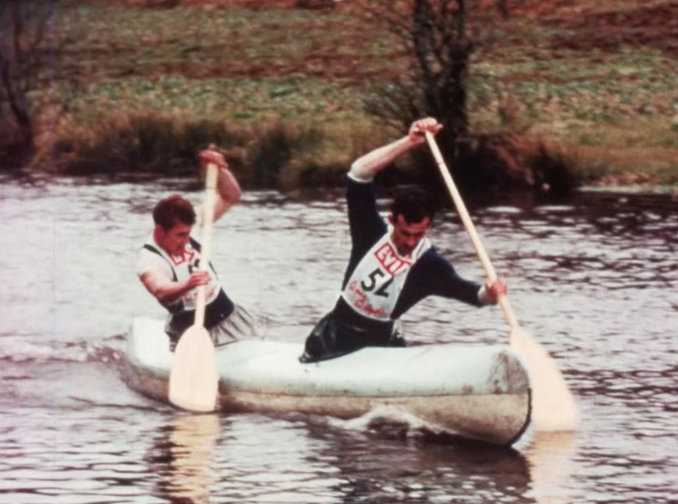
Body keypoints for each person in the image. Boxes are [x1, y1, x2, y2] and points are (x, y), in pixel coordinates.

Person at [300, 117, 507, 363]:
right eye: (405, 233)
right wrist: (410, 141)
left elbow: (473, 295)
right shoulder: (369, 231)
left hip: (382, 346)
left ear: (429, 226)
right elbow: (358, 173)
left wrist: (491, 293)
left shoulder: (430, 266)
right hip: (336, 338)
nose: (410, 242)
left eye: (418, 234)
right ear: (392, 220)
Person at [136, 149, 263, 350]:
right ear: (160, 231)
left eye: (188, 233)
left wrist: (220, 169)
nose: (187, 240)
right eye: (180, 235)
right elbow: (161, 290)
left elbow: (231, 195)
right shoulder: (149, 259)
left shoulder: (192, 222)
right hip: (190, 335)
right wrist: (189, 284)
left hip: (230, 321)